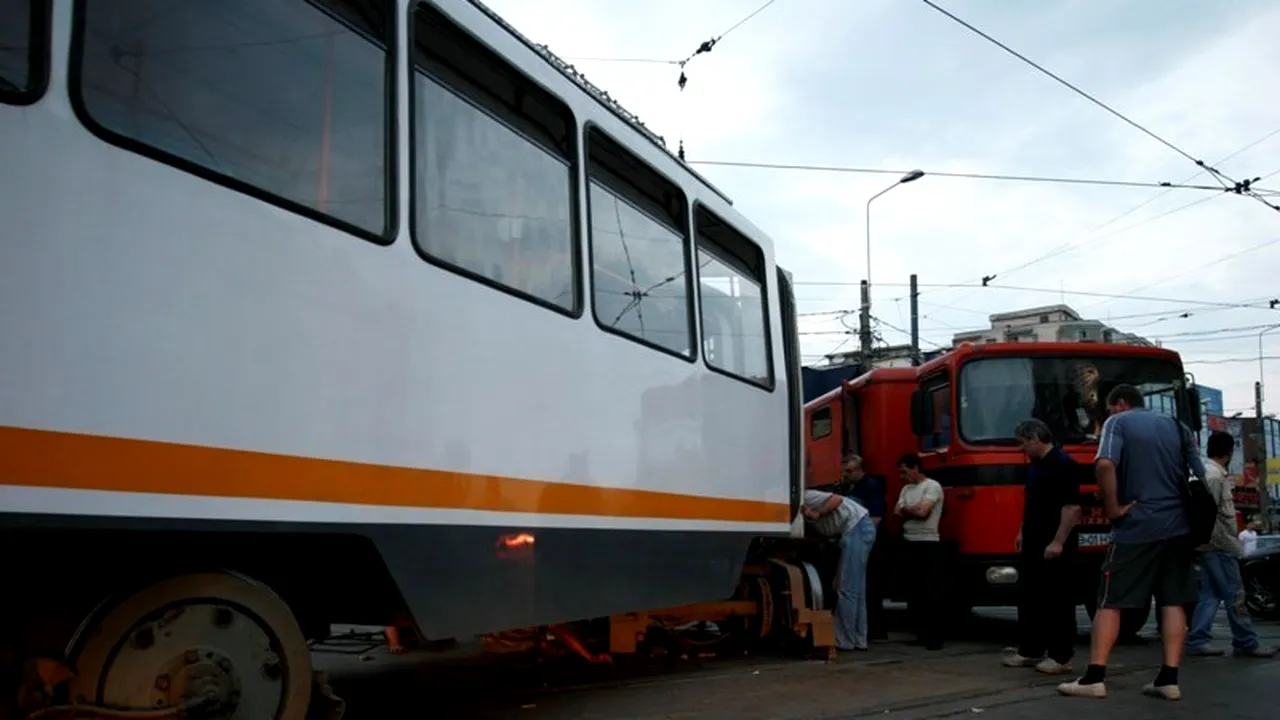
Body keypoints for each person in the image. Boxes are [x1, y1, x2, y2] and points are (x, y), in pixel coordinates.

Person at [1057, 385, 1205, 701]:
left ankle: (1094, 678)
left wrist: (1111, 507)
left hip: (1137, 527)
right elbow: (1199, 475)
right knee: (1173, 601)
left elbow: (1105, 464)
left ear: (1121, 404)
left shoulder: (1118, 423)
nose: (1108, 415)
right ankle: (1168, 679)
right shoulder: (1178, 427)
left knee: (1110, 601)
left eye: (1110, 409)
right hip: (1178, 527)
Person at [1185, 431, 1277, 658]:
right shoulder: (1215, 477)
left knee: (1210, 594)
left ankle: (1198, 639)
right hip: (1220, 545)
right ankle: (1246, 641)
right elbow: (1210, 515)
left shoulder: (1204, 472)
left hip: (1210, 546)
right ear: (1228, 453)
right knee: (1235, 594)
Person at [1002, 419, 1081, 675]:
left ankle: (1061, 656)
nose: (1021, 448)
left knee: (1057, 599)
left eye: (1023, 443)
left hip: (1053, 542)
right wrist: (1021, 531)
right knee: (1030, 597)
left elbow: (1071, 508)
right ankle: (1030, 649)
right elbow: (1032, 502)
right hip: (1034, 541)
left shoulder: (1063, 465)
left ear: (1035, 438)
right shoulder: (1036, 467)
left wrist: (1058, 541)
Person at [803, 487, 878, 651]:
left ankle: (844, 640)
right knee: (855, 590)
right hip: (858, 529)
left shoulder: (806, 496)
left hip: (855, 528)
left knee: (847, 589)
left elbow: (837, 499)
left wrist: (817, 514)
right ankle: (858, 639)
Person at [894, 453, 945, 650]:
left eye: (905, 471)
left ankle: (935, 636)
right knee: (914, 592)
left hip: (928, 542)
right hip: (910, 541)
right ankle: (921, 634)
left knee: (931, 591)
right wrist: (910, 509)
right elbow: (896, 511)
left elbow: (923, 513)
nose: (902, 476)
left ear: (915, 468)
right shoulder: (906, 488)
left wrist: (908, 509)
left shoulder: (931, 486)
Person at [836, 453, 889, 640]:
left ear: (860, 470)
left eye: (849, 471)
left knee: (870, 586)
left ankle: (876, 630)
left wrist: (866, 543)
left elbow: (875, 517)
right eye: (844, 471)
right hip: (859, 538)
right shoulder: (853, 487)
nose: (846, 474)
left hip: (868, 540)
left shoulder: (870, 487)